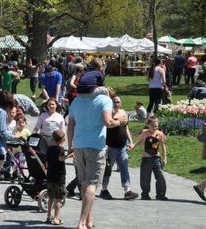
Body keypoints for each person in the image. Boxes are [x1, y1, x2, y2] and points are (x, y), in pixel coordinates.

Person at [67, 60, 127, 229]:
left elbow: (70, 126)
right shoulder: (104, 100)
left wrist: (70, 146)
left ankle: (88, 219)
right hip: (95, 146)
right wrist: (120, 121)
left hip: (78, 146)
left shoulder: (76, 101)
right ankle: (81, 222)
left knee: (85, 184)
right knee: (92, 184)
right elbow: (108, 122)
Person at [99, 96, 139, 200]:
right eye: (115, 102)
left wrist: (131, 141)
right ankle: (104, 189)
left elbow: (126, 128)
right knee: (108, 169)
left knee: (124, 168)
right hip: (110, 146)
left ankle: (127, 190)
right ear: (111, 102)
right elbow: (106, 126)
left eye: (119, 102)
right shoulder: (108, 114)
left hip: (122, 146)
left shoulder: (123, 112)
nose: (117, 103)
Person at [130, 116, 168, 200]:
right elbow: (140, 141)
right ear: (148, 125)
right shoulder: (145, 133)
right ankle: (145, 194)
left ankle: (160, 194)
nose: (155, 128)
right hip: (146, 159)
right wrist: (133, 145)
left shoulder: (160, 134)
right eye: (153, 126)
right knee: (145, 177)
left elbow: (163, 146)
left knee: (160, 176)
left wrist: (164, 158)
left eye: (156, 126)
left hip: (156, 159)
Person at [45, 130, 73, 225]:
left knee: (51, 197)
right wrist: (68, 156)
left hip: (50, 177)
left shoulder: (49, 149)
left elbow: (47, 162)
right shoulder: (60, 150)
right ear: (63, 139)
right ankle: (56, 218)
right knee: (58, 199)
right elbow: (60, 158)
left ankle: (49, 216)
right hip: (59, 178)